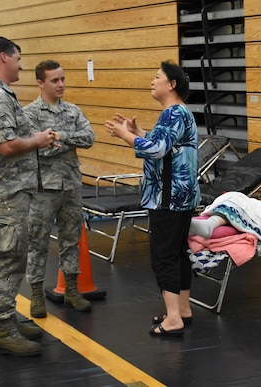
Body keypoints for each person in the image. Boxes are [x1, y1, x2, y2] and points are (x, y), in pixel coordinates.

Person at [0, 37, 59, 356]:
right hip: (3, 195)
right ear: (5, 58)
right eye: (19, 58)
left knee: (14, 257)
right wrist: (36, 140)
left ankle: (9, 319)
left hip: (11, 192)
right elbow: (6, 146)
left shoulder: (0, 92)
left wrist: (37, 139)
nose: (22, 64)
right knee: (5, 261)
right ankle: (3, 330)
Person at [104, 60, 200, 338]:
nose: (152, 81)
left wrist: (125, 136)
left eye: (157, 77)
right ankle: (182, 309)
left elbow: (157, 150)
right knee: (178, 252)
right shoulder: (179, 113)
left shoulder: (173, 113)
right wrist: (138, 134)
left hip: (167, 198)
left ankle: (173, 319)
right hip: (181, 196)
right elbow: (167, 145)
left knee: (164, 257)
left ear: (172, 84)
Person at [24, 60, 95, 318]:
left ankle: (72, 291)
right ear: (40, 82)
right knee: (38, 242)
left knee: (71, 239)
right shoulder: (29, 114)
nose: (61, 84)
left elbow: (88, 138)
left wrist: (61, 137)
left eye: (62, 79)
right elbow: (36, 145)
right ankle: (35, 294)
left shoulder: (73, 111)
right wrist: (51, 142)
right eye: (55, 80)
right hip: (43, 189)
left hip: (71, 185)